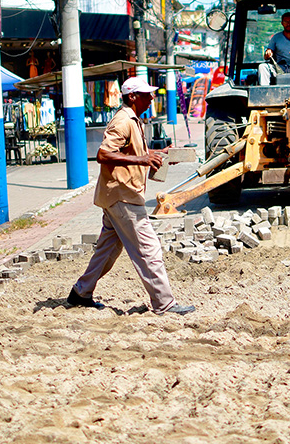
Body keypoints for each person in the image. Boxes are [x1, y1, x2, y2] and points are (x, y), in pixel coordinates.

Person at [68, 77, 195, 316]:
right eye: (147, 94)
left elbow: (134, 152)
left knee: (107, 250)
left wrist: (159, 154)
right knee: (149, 249)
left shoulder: (135, 120)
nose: (152, 98)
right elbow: (103, 154)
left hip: (118, 195)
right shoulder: (123, 120)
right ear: (132, 96)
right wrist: (142, 159)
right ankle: (164, 303)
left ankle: (81, 292)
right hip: (123, 197)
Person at [258, 12, 290, 85]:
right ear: (282, 23)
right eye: (285, 22)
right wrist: (268, 52)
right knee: (262, 67)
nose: (288, 24)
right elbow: (267, 55)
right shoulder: (276, 38)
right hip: (280, 67)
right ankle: (264, 92)